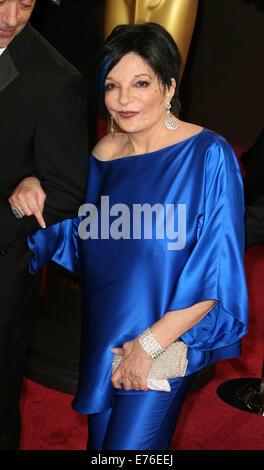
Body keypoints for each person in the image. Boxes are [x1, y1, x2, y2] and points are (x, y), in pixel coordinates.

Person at [11, 23, 248, 450]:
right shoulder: (104, 154)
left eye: (141, 83)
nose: (123, 100)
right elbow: (76, 237)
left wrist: (148, 346)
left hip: (160, 344)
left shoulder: (208, 156)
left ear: (169, 87)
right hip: (103, 337)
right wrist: (35, 186)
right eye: (112, 86)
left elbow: (215, 270)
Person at [0, 0, 88, 450]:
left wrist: (18, 205)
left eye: (26, 3)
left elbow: (68, 189)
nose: (11, 19)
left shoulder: (57, 79)